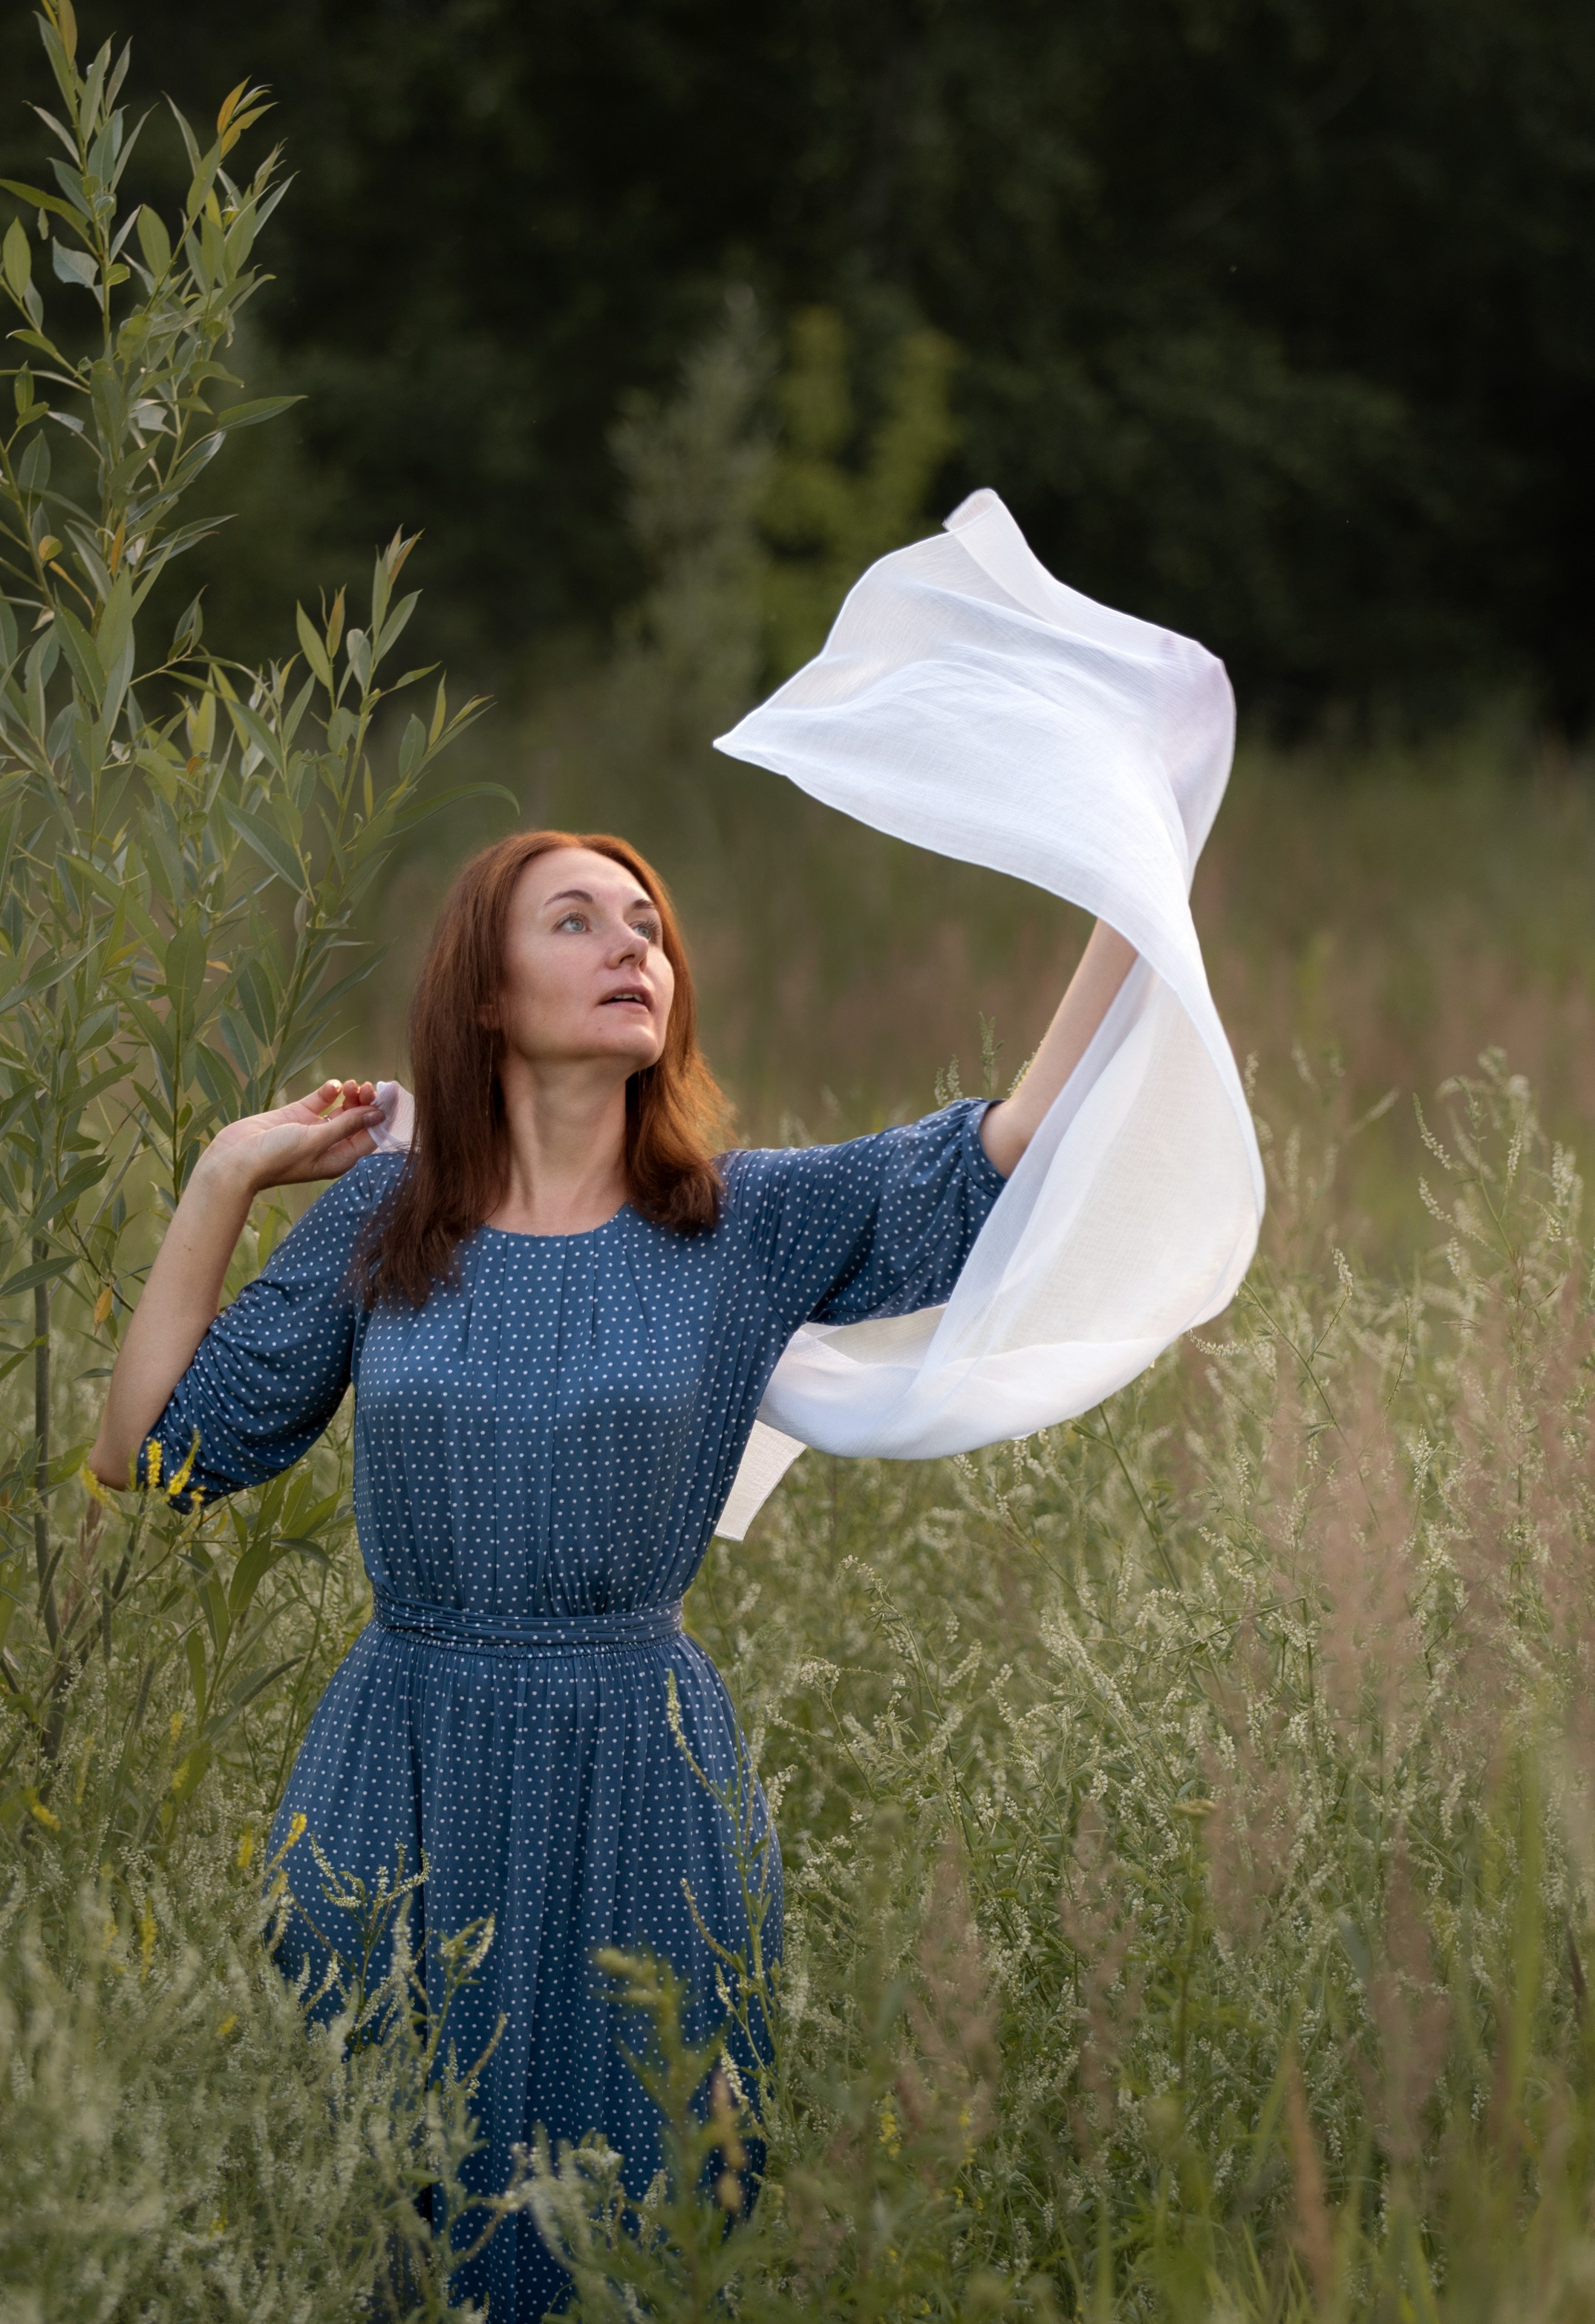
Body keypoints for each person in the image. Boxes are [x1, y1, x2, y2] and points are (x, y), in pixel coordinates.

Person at [88, 827, 1137, 2320]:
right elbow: (154, 1447)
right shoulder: (384, 1225)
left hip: (635, 1787)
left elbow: (1009, 1152)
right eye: (573, 921)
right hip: (400, 1769)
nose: (628, 945)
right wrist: (224, 1170)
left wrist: (1130, 882)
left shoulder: (738, 1223)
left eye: (645, 922)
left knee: (628, 2234)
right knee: (365, 2216)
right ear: (484, 997)